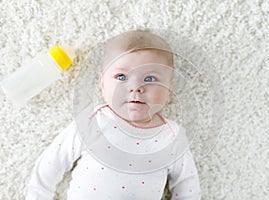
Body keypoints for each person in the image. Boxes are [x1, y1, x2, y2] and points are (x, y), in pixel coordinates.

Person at [26, 30, 201, 199]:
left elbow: (188, 188)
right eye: (121, 76)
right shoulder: (93, 121)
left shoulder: (171, 137)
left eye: (150, 78)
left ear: (169, 87)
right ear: (103, 83)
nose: (135, 87)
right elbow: (49, 167)